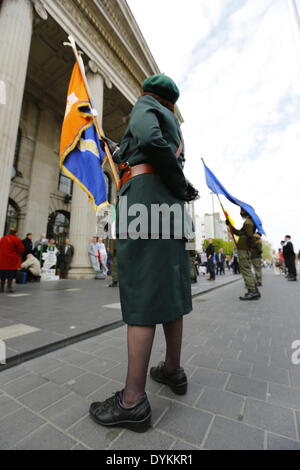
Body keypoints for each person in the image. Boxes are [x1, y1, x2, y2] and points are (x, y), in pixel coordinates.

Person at [89, 74, 198, 432]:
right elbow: (148, 147)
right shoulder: (175, 128)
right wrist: (116, 148)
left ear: (149, 94)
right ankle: (172, 369)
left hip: (144, 204)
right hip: (168, 209)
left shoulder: (144, 105)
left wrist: (178, 183)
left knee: (142, 291)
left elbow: (148, 141)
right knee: (168, 287)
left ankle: (132, 400)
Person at [227, 209, 260, 300]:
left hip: (244, 249)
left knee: (245, 269)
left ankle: (252, 291)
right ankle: (254, 290)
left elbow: (250, 236)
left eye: (242, 211)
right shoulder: (247, 222)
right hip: (244, 248)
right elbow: (239, 232)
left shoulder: (248, 222)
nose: (240, 212)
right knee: (247, 269)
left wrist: (250, 248)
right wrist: (230, 225)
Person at [0, 228, 24, 293]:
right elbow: (21, 249)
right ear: (15, 233)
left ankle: (1, 288)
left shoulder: (3, 238)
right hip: (12, 260)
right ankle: (9, 287)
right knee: (10, 274)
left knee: (2, 274)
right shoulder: (17, 239)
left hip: (2, 260)